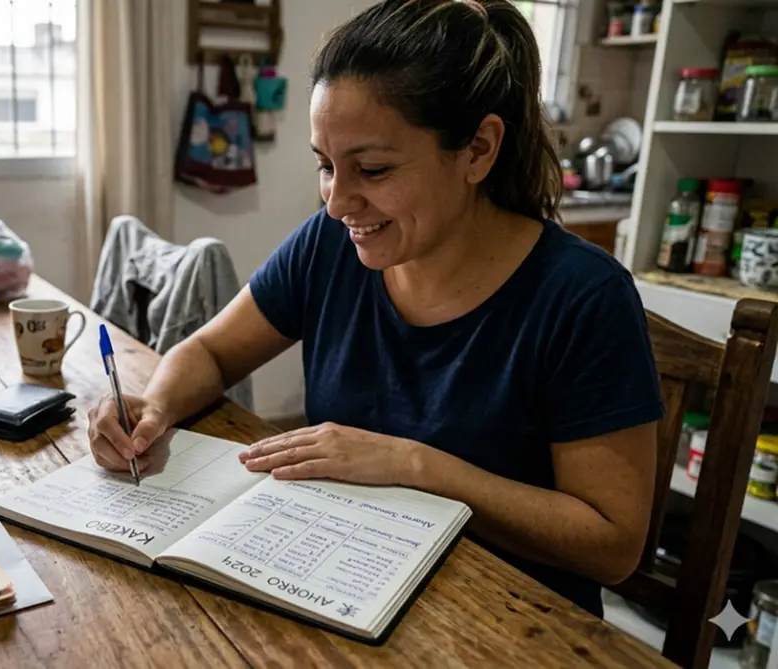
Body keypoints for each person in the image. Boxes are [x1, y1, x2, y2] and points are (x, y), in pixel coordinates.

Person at [87, 0, 662, 618]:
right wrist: (155, 407)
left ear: (478, 150)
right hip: (345, 584)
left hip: (507, 624)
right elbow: (212, 348)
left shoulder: (582, 297)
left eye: (373, 168)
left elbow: (611, 545)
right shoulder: (328, 245)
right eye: (325, 166)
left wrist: (413, 465)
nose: (337, 202)